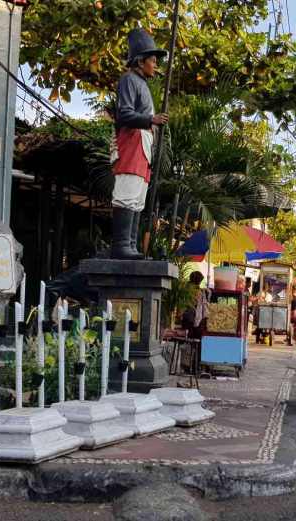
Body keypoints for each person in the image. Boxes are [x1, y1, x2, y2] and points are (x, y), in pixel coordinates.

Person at [111, 28, 169, 259]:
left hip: (143, 146)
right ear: (140, 60)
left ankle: (131, 245)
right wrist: (150, 119)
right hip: (131, 144)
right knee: (127, 191)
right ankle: (122, 244)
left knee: (137, 196)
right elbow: (124, 114)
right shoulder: (128, 80)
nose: (155, 65)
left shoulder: (142, 84)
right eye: (153, 60)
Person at [181, 271, 209, 339]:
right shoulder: (196, 291)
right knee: (194, 336)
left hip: (186, 318)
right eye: (200, 281)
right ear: (198, 281)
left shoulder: (185, 288)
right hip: (191, 318)